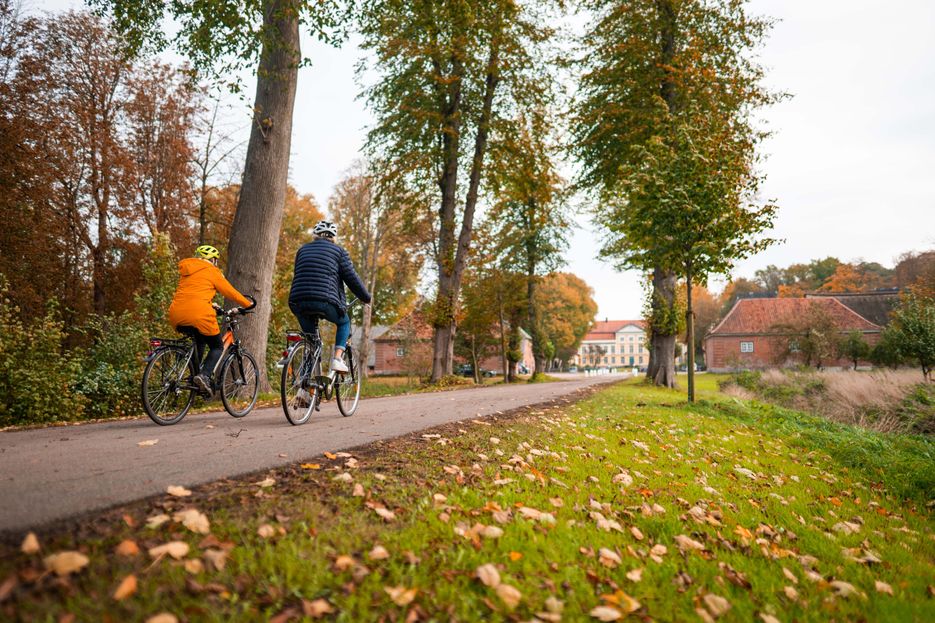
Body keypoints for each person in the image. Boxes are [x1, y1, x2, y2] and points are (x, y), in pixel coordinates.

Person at [289, 220, 371, 374]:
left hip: (297, 301)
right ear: (333, 237)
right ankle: (337, 359)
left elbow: (299, 274)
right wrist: (366, 297)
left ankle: (304, 390)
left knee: (310, 343)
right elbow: (351, 278)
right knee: (344, 322)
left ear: (315, 235)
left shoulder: (302, 250)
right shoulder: (339, 252)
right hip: (325, 301)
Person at [168, 245, 252, 393]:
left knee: (200, 341)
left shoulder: (187, 271)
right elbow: (230, 291)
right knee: (217, 346)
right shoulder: (212, 271)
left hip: (176, 314)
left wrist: (211, 304)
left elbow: (192, 294)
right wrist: (248, 304)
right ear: (213, 259)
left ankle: (193, 377)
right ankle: (205, 375)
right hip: (199, 314)